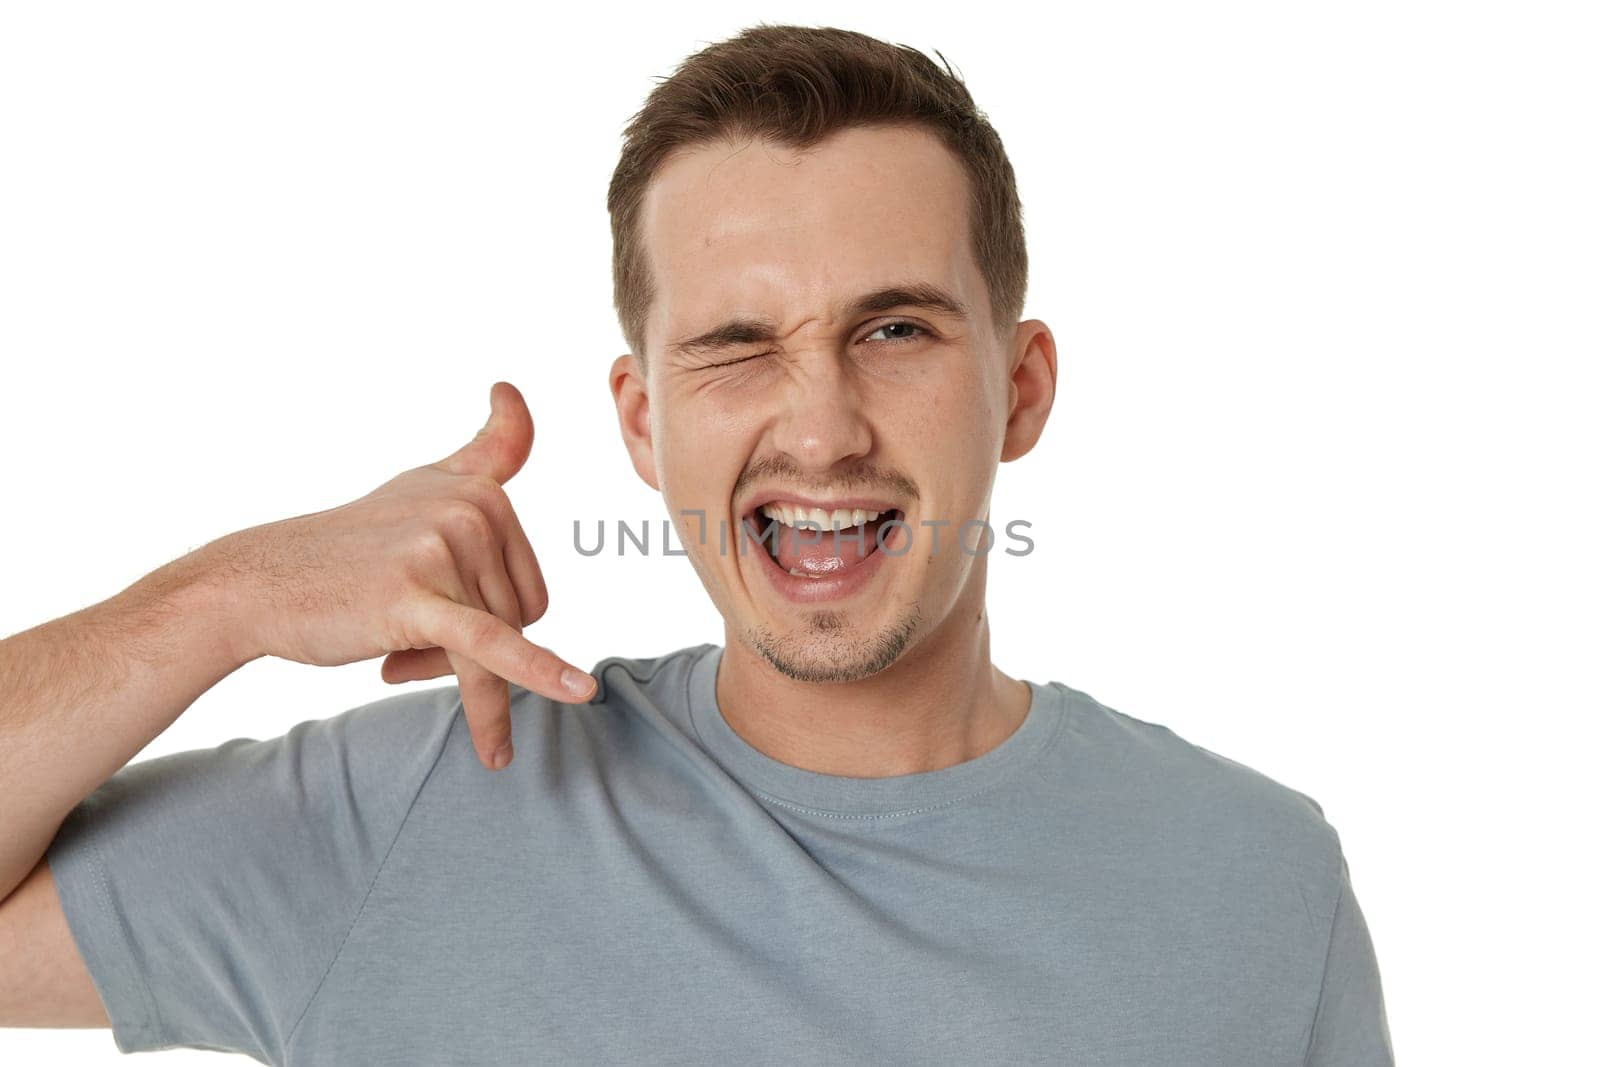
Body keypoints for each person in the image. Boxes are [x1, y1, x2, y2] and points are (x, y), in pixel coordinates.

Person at [0, 23, 1392, 1066]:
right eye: (737, 347)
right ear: (643, 424)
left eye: (894, 329)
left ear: (1019, 389)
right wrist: (220, 601)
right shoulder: (423, 809)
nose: (822, 427)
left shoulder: (1260, 883)